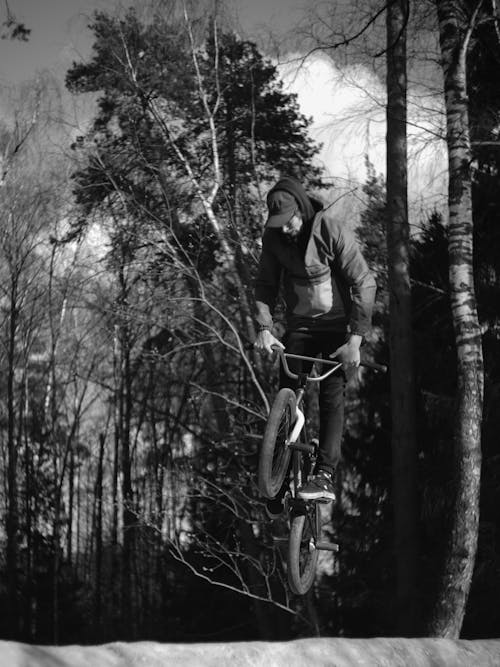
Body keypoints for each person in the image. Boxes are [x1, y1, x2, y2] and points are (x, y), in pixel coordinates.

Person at [254, 176, 376, 516]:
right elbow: (265, 283)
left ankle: (323, 474)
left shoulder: (329, 230)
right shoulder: (274, 238)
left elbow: (364, 281)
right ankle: (276, 473)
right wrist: (264, 328)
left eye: (290, 220)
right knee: (287, 388)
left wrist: (355, 340)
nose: (287, 229)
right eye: (279, 224)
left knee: (331, 394)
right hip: (301, 327)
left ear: (302, 209)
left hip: (339, 328)